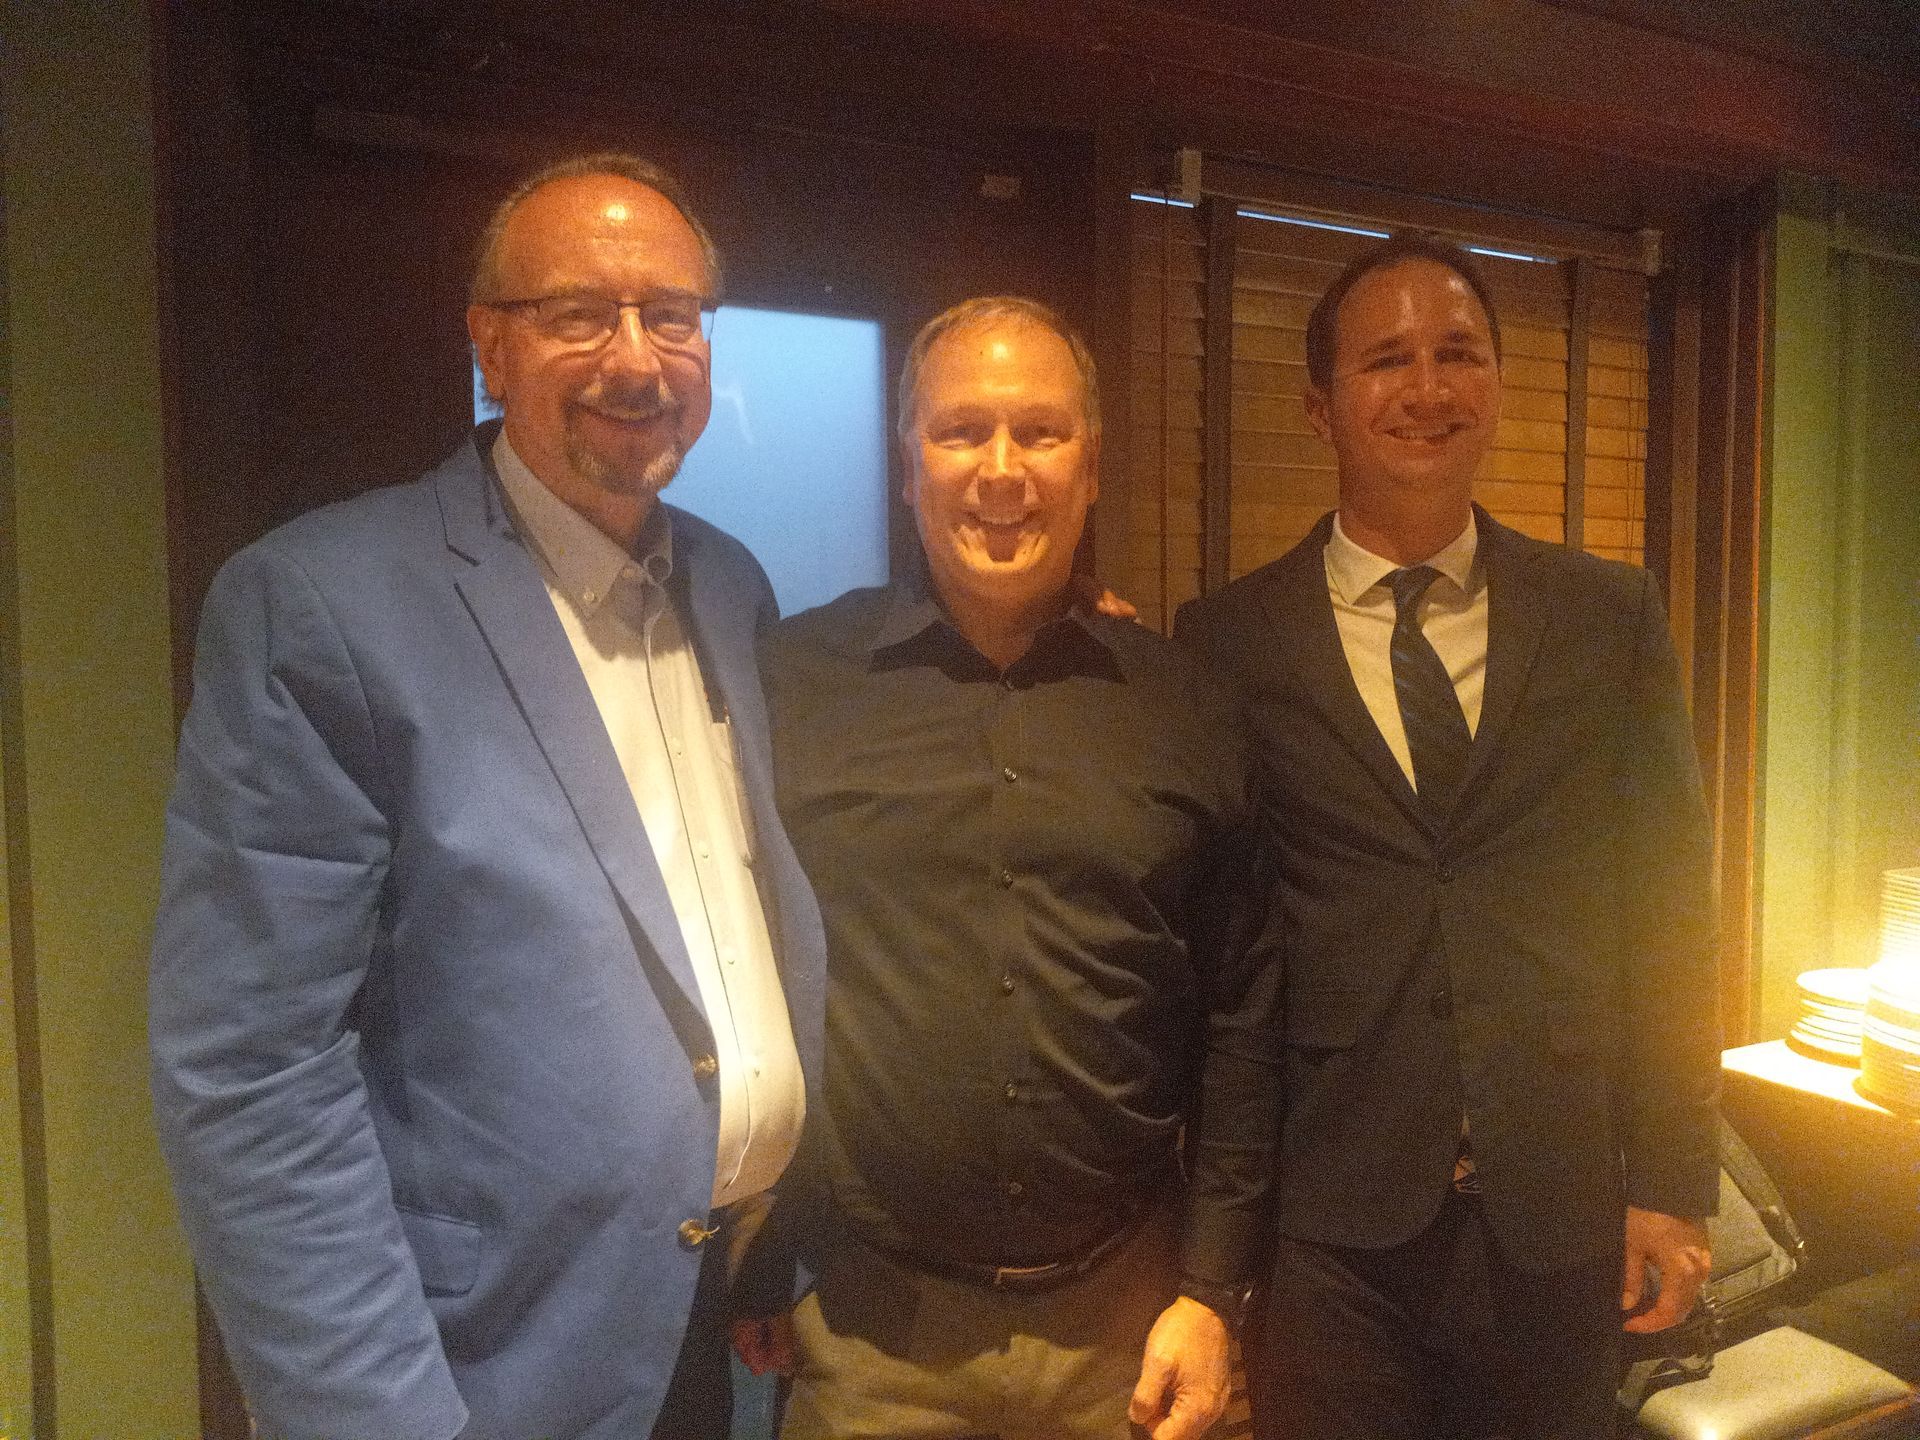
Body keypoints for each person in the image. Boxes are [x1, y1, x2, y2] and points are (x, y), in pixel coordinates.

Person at [148, 152, 825, 1440]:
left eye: (671, 315)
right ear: (489, 345)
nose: (637, 358)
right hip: (482, 1366)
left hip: (718, 1326)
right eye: (579, 313)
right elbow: (250, 1071)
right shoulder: (326, 603)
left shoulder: (730, 585)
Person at [1175, 235, 1721, 1440]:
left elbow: (1672, 911)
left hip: (1559, 1207)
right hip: (1334, 1222)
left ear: (1498, 389)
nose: (1427, 389)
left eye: (1458, 353)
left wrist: (1676, 1183)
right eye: (1386, 361)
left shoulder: (1606, 616)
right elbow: (1230, 948)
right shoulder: (1226, 641)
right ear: (1320, 406)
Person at [752, 296, 1277, 1440]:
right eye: (961, 431)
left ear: (1092, 469)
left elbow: (1244, 1018)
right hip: (869, 1336)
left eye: (1040, 432)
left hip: (1131, 1328)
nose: (1002, 469)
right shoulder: (788, 681)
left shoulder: (1189, 705)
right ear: (907, 467)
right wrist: (756, 1255)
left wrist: (1212, 1289)